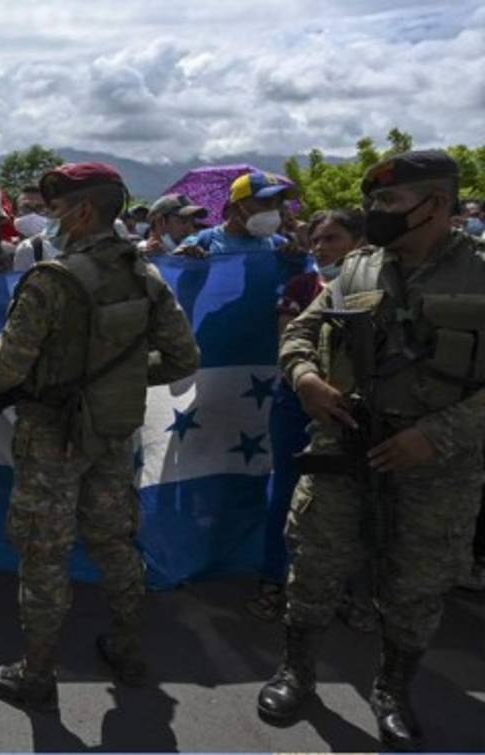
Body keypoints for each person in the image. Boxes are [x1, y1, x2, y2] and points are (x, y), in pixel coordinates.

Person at [258, 150, 485, 751]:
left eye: (388, 201)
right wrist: (305, 378)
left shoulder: (480, 272)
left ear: (436, 205)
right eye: (373, 201)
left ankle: (392, 690)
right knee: (312, 568)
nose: (374, 212)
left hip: (437, 467)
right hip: (343, 446)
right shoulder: (356, 269)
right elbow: (301, 332)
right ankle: (296, 673)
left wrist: (436, 435)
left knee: (417, 587)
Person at [0, 162, 199, 710]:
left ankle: (36, 672)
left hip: (53, 438)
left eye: (56, 208)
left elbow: (0, 374)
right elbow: (181, 357)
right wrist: (121, 377)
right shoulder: (145, 275)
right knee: (114, 542)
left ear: (81, 211)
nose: (49, 219)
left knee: (44, 555)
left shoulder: (53, 280)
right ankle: (126, 645)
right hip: (113, 433)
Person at [249, 209, 376, 626]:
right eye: (316, 240)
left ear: (358, 242)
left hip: (360, 413)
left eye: (333, 239)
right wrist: (310, 385)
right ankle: (273, 581)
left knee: (359, 501)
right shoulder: (303, 286)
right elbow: (290, 339)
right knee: (285, 493)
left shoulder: (382, 289)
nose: (321, 248)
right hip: (296, 406)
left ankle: (347, 590)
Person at [175, 172, 296, 257]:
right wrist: (183, 259)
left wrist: (294, 260)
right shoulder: (203, 242)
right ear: (237, 207)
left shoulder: (279, 245)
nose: (273, 210)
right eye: (265, 202)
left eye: (278, 203)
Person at [138, 194, 208, 255]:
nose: (190, 229)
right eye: (183, 221)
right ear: (160, 221)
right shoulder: (139, 255)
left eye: (192, 222)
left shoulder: (193, 254)